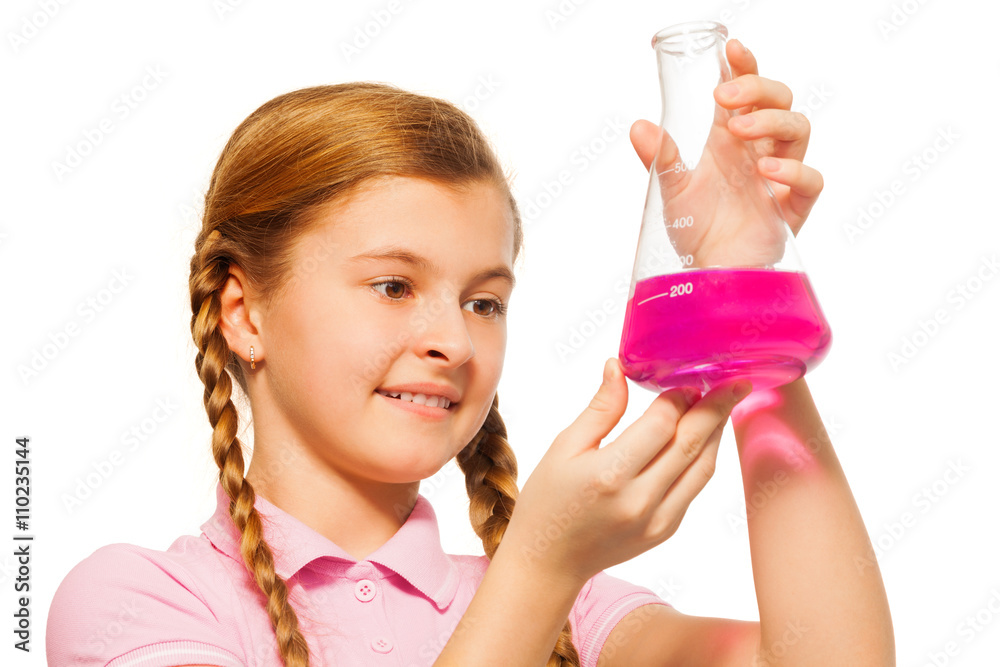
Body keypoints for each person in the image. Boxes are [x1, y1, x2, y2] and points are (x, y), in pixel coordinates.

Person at [46, 38, 894, 666]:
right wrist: (536, 569)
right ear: (243, 311)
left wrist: (738, 296)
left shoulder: (580, 609)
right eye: (393, 286)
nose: (453, 340)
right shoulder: (136, 602)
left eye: (484, 301)